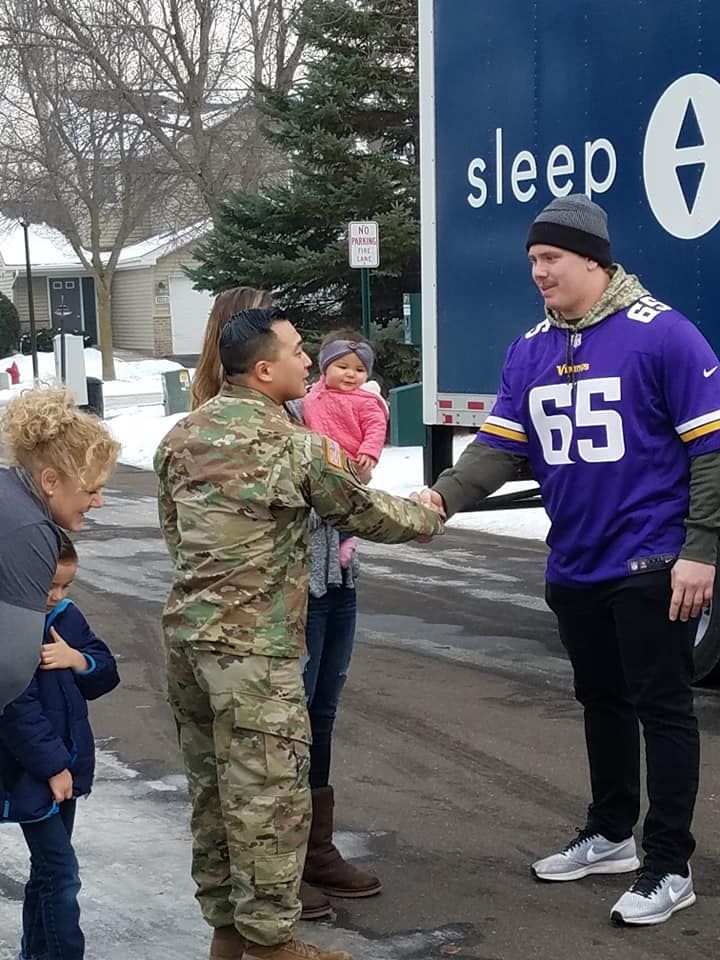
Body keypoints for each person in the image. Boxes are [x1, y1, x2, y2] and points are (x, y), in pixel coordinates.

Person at [418, 194, 720, 926]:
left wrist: (701, 550)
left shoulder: (664, 334)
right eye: (532, 260)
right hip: (576, 561)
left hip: (651, 559)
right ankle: (612, 833)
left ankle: (669, 864)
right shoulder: (531, 348)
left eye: (550, 258)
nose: (539, 272)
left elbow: (712, 449)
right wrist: (441, 498)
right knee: (601, 701)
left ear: (593, 260)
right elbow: (499, 446)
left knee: (664, 710)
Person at [155, 306, 443, 960]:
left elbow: (174, 532)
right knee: (268, 800)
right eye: (295, 351)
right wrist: (428, 514)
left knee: (213, 794)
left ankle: (227, 935)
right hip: (255, 655)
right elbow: (363, 512)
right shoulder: (291, 444)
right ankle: (270, 946)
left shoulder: (180, 436)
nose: (308, 361)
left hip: (188, 644)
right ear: (263, 370)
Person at [0, 534, 120, 960]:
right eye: (49, 584)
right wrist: (53, 766)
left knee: (48, 873)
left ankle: (34, 953)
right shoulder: (11, 627)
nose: (57, 595)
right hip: (30, 771)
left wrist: (78, 659)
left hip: (64, 767)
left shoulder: (66, 617)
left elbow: (106, 673)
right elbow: (16, 707)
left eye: (66, 585)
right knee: (61, 874)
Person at [0, 387, 119, 714]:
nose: (98, 502)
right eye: (91, 490)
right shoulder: (30, 530)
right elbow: (12, 666)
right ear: (51, 481)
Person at [303, 329, 389, 568]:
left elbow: (376, 427)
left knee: (344, 507)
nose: (351, 374)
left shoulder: (366, 401)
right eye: (342, 367)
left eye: (360, 370)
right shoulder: (312, 395)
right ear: (325, 367)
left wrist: (369, 451)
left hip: (348, 464)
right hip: (316, 462)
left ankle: (347, 539)